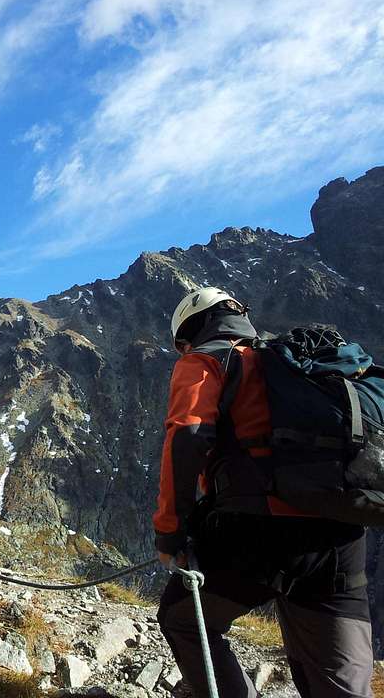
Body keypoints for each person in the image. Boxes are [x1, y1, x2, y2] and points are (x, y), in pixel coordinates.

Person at [154, 287, 372, 698]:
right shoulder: (294, 369)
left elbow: (187, 437)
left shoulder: (205, 360)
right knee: (339, 683)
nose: (183, 351)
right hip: (341, 539)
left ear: (192, 332)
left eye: (181, 344)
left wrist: (171, 531)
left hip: (254, 533)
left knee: (183, 619)